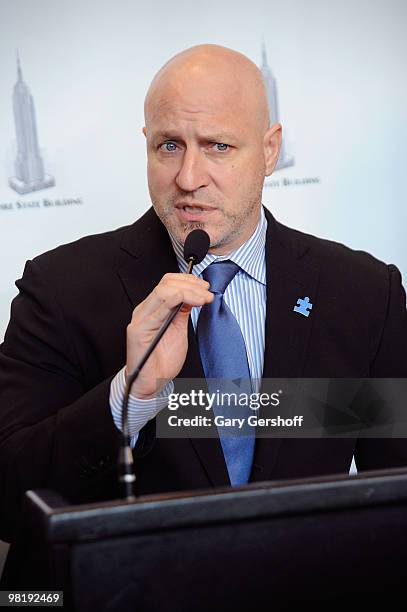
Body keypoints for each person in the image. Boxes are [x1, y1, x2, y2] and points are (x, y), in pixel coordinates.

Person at [1, 43, 407, 565]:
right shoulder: (59, 289)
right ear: (146, 144)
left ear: (269, 149)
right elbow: (10, 501)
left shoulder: (363, 293)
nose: (189, 178)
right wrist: (133, 394)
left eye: (217, 146)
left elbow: (396, 500)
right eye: (170, 146)